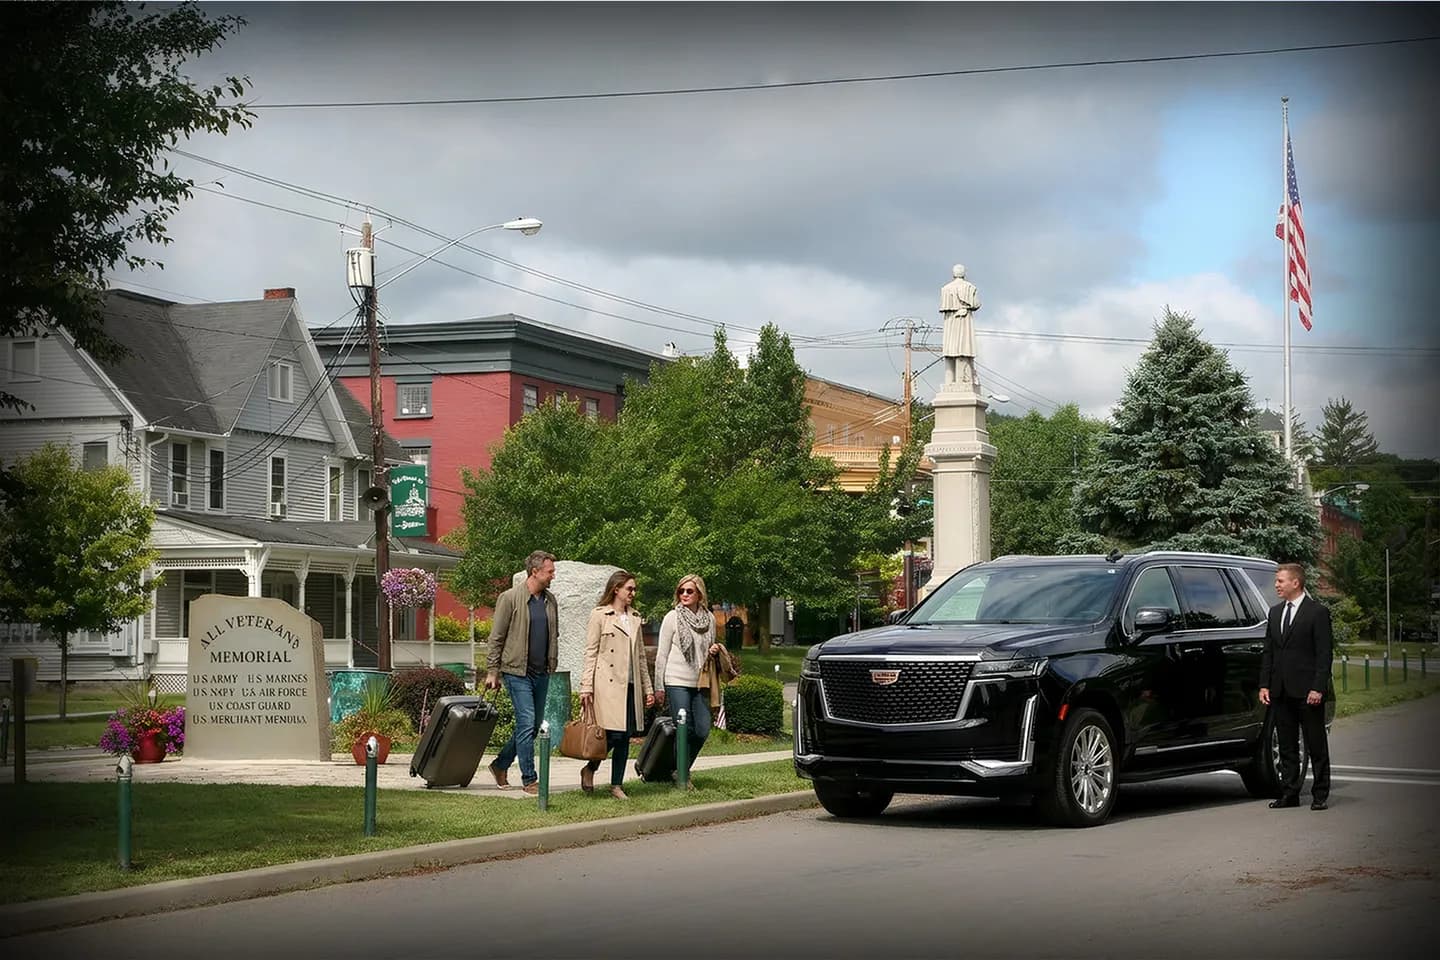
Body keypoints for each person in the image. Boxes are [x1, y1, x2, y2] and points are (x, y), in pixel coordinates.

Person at [1259, 562, 1333, 811]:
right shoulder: (1275, 612)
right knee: (1288, 744)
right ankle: (1290, 793)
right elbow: (1269, 652)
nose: (1276, 585)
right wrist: (1264, 685)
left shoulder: (1317, 613)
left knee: (1315, 743)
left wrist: (1318, 688)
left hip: (1307, 691)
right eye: (1276, 581)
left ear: (1295, 583)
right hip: (1280, 690)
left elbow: (1324, 655)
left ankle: (1320, 794)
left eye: (1280, 581)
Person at [485, 550, 558, 796]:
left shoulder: (550, 601)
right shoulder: (509, 598)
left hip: (542, 671)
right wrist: (492, 671)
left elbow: (552, 635)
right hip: (517, 672)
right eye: (550, 571)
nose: (553, 576)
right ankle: (530, 779)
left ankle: (500, 764)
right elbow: (496, 637)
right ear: (535, 572)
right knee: (526, 722)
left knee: (533, 726)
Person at [579, 570, 655, 799]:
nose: (633, 593)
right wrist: (586, 686)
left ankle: (616, 785)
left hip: (630, 685)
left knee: (625, 735)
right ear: (616, 589)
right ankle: (590, 768)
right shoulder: (600, 615)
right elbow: (591, 653)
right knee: (611, 735)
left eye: (634, 589)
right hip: (607, 684)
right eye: (629, 588)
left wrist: (648, 689)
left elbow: (641, 656)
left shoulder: (635, 617)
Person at [653, 574, 721, 788]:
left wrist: (714, 650)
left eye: (689, 591)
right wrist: (658, 686)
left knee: (702, 729)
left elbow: (709, 646)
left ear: (699, 593)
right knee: (684, 728)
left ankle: (678, 768)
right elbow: (661, 654)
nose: (684, 594)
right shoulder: (672, 617)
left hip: (700, 681)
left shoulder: (709, 618)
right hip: (676, 680)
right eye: (681, 591)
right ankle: (682, 776)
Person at [939, 263, 981, 386]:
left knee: (951, 350)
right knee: (964, 348)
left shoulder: (945, 289)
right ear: (964, 273)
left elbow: (943, 306)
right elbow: (976, 304)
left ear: (953, 274)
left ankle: (949, 382)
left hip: (950, 322)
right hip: (964, 321)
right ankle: (964, 381)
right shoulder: (970, 287)